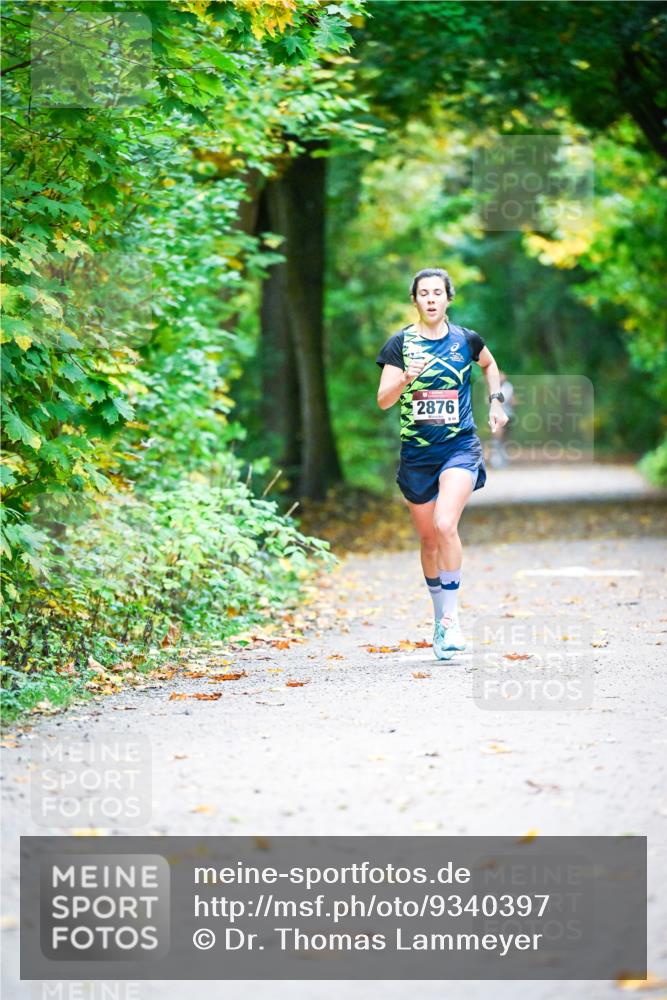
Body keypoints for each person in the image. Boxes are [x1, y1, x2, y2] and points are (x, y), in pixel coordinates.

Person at [376, 267, 509, 661]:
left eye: (438, 292)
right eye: (423, 293)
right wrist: (404, 380)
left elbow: (489, 364)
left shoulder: (465, 339)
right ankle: (439, 620)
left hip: (459, 447)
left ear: (449, 298)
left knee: (445, 524)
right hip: (417, 455)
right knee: (429, 539)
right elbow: (384, 399)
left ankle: (452, 622)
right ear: (414, 300)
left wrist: (496, 401)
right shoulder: (401, 344)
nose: (431, 299)